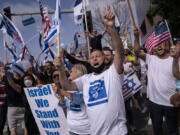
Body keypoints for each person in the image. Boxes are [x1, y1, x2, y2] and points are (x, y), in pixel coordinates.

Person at [54, 6, 127, 135]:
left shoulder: (113, 73)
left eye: (98, 56)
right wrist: (60, 70)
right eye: (92, 57)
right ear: (89, 62)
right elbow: (67, 85)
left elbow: (120, 52)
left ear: (105, 59)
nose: (94, 59)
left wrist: (111, 27)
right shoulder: (86, 79)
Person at [134, 29, 179, 135]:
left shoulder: (175, 59)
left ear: (167, 44)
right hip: (154, 103)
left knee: (173, 130)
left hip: (171, 103)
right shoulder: (150, 58)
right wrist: (136, 37)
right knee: (157, 129)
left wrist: (176, 59)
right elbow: (136, 51)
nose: (159, 46)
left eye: (162, 43)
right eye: (157, 44)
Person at [53, 64, 90, 135]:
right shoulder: (67, 87)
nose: (70, 73)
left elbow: (78, 100)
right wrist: (61, 97)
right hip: (71, 129)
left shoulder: (85, 86)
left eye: (72, 71)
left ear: (79, 73)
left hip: (85, 131)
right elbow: (63, 105)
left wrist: (61, 92)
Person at [0, 67, 8, 135]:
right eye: (1, 71)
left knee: (4, 123)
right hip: (1, 107)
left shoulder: (5, 82)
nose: (3, 73)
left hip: (6, 105)